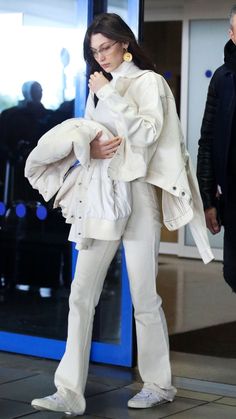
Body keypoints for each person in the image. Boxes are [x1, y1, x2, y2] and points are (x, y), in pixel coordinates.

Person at [30, 13, 213, 416]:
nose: (101, 58)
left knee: (144, 295)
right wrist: (89, 151)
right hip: (102, 195)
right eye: (94, 52)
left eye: (106, 48)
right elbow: (94, 138)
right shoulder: (100, 87)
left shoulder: (149, 83)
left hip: (140, 196)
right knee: (81, 293)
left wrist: (110, 94)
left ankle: (158, 384)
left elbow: (147, 134)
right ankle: (68, 391)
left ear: (124, 43)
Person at [197, 5, 236, 293]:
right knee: (234, 275)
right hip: (232, 200)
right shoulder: (222, 80)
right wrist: (208, 200)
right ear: (231, 34)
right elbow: (207, 141)